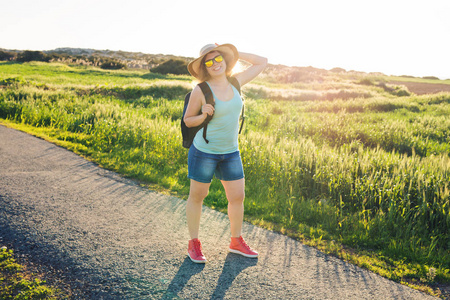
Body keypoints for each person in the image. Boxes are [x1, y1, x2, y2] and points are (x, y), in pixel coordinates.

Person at [184, 43, 267, 263]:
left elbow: (262, 62)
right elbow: (188, 120)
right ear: (204, 66)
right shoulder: (200, 90)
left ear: (225, 59)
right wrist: (202, 116)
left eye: (218, 58)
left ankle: (236, 241)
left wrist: (235, 51)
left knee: (237, 197)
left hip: (230, 152)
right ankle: (194, 244)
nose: (214, 64)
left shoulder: (235, 82)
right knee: (198, 196)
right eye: (208, 61)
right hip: (205, 151)